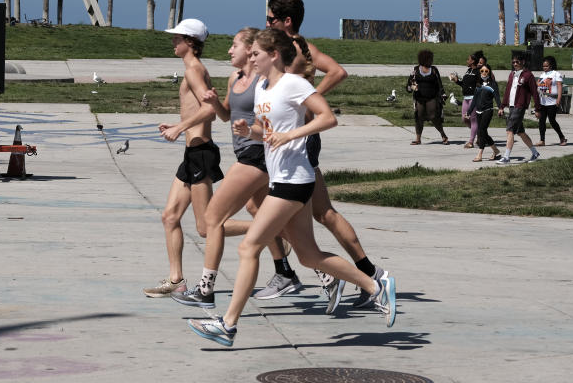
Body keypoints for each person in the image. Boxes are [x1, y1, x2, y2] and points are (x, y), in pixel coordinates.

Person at [186, 29, 395, 347]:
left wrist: (293, 135)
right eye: (251, 53)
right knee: (309, 257)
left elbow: (327, 118)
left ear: (273, 55)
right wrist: (250, 131)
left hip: (294, 181)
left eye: (256, 53)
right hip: (280, 178)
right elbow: (268, 131)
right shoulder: (263, 88)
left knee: (248, 248)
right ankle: (376, 286)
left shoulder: (294, 84)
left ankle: (227, 325)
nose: (251, 58)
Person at [258, 0, 388, 312]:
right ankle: (368, 274)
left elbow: (338, 71)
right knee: (322, 212)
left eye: (271, 18)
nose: (266, 22)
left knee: (287, 209)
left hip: (299, 139)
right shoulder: (300, 49)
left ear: (286, 21)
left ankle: (317, 273)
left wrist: (309, 96)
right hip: (295, 139)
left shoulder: (298, 51)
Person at [171, 28, 302, 308]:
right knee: (260, 214)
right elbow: (226, 114)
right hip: (245, 151)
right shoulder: (235, 78)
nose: (230, 51)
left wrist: (257, 131)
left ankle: (205, 290)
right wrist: (214, 102)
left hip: (257, 155)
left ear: (250, 50)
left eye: (235, 46)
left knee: (212, 219)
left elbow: (278, 117)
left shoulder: (265, 81)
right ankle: (297, 272)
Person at [143, 18, 222, 298]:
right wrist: (178, 124)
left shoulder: (194, 71)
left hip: (201, 154)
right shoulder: (191, 69)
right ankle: (176, 280)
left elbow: (210, 110)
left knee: (204, 228)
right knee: (169, 217)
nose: (173, 41)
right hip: (192, 153)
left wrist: (180, 127)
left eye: (177, 37)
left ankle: (272, 230)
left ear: (190, 42)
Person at [496, 51, 542, 164]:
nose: (515, 64)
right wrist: (502, 106)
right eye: (513, 62)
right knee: (520, 132)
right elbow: (507, 91)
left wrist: (537, 108)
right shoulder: (512, 74)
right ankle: (535, 153)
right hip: (511, 106)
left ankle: (506, 157)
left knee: (510, 130)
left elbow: (535, 93)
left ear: (523, 62)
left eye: (517, 62)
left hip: (520, 106)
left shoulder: (528, 75)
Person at [407, 49, 449, 145]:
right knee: (419, 117)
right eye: (430, 59)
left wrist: (443, 94)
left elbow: (439, 84)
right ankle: (418, 139)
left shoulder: (434, 70)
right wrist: (412, 87)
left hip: (432, 97)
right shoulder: (416, 70)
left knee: (433, 116)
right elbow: (409, 84)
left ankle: (443, 135)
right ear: (425, 59)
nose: (432, 60)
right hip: (419, 98)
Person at [465, 63, 502, 162]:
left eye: (486, 71)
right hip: (478, 111)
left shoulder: (493, 84)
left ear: (489, 72)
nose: (484, 73)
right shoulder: (478, 84)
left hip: (488, 110)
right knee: (483, 132)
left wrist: (500, 108)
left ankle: (479, 154)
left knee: (481, 131)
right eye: (482, 71)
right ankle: (495, 150)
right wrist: (469, 111)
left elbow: (497, 97)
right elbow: (475, 99)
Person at [450, 50, 484, 148]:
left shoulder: (478, 72)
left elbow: (481, 84)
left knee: (473, 120)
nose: (467, 61)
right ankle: (478, 133)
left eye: (468, 59)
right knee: (464, 119)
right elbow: (464, 84)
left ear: (473, 61)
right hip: (466, 98)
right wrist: (457, 81)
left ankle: (471, 142)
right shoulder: (468, 71)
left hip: (474, 98)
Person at [536, 56, 567, 146]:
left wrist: (559, 98)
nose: (544, 68)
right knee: (541, 121)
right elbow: (538, 84)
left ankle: (562, 137)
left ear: (551, 66)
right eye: (543, 66)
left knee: (552, 121)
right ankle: (542, 140)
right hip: (543, 101)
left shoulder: (556, 74)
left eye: (546, 66)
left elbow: (559, 86)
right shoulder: (542, 75)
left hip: (552, 101)